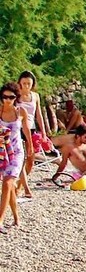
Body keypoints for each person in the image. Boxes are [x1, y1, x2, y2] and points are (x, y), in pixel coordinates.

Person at [0, 83, 33, 232]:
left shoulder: (21, 111)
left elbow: (26, 131)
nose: (8, 100)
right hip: (2, 152)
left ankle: (0, 220)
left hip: (16, 152)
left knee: (8, 183)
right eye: (5, 97)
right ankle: (16, 217)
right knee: (10, 187)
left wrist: (30, 147)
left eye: (11, 97)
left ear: (16, 97)